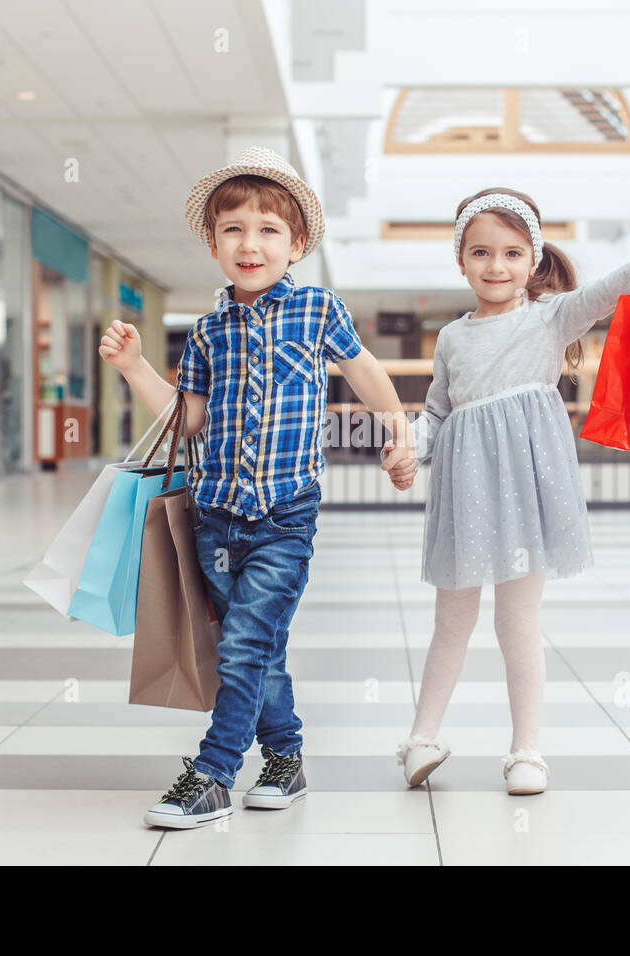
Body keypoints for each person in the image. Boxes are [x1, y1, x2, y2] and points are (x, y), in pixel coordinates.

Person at [99, 147, 415, 828]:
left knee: (245, 643)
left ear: (297, 244)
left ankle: (213, 774)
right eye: (234, 229)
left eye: (269, 230)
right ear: (213, 243)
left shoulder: (318, 310)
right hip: (214, 517)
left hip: (283, 517)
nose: (251, 243)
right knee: (253, 645)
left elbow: (363, 372)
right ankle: (286, 757)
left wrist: (397, 430)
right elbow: (189, 416)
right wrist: (133, 368)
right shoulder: (209, 332)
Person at [382, 189, 630, 794]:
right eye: (480, 252)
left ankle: (525, 750)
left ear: (533, 260)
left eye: (511, 252)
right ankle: (421, 737)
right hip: (465, 493)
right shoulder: (452, 339)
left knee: (518, 621)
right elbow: (436, 413)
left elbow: (607, 290)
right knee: (451, 619)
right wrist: (407, 449)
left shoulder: (550, 318)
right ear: (461, 260)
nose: (496, 266)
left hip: (524, 491)